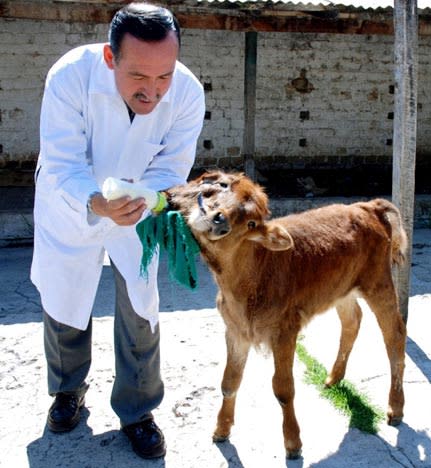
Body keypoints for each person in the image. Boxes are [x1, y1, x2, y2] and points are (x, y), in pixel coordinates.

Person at [30, 2, 205, 459]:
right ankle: (68, 392)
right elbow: (62, 161)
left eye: (163, 75)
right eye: (139, 78)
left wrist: (146, 198)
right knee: (65, 301)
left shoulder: (185, 91)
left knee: (140, 309)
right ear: (111, 59)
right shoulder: (70, 77)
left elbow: (172, 164)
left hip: (136, 208)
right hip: (72, 206)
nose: (153, 91)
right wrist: (96, 202)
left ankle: (138, 410)